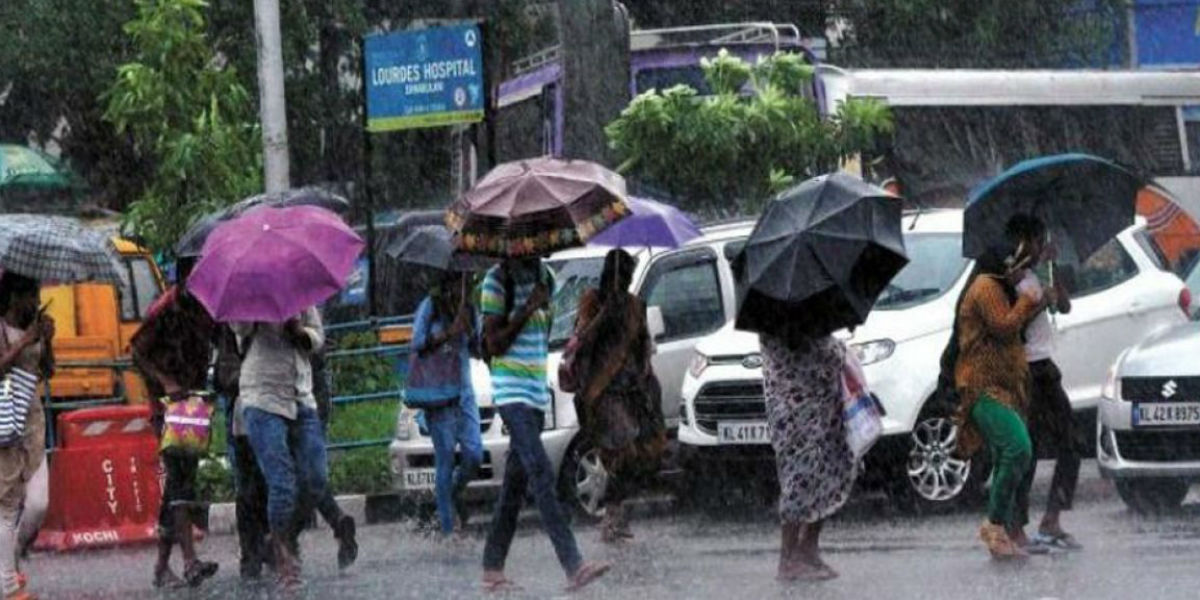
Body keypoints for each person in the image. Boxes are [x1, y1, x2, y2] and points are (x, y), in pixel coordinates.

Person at [479, 257, 610, 593]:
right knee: (541, 472)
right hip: (511, 393)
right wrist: (526, 308)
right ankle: (573, 564)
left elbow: (543, 335)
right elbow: (494, 345)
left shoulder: (546, 277)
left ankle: (492, 567)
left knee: (514, 483)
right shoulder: (496, 281)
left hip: (537, 393)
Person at [130, 258, 220, 589]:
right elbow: (136, 353)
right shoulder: (163, 309)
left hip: (194, 402)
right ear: (183, 278)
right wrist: (165, 381)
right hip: (168, 405)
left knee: (182, 483)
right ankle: (189, 560)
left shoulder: (206, 307)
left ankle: (162, 566)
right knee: (179, 480)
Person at [951, 243, 1043, 560]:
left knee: (1011, 454)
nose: (1020, 271)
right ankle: (995, 524)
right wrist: (1028, 301)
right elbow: (1004, 327)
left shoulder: (998, 287)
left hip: (1003, 386)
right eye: (1016, 265)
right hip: (983, 387)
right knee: (1018, 448)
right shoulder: (986, 287)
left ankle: (1001, 529)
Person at [571, 249, 665, 543]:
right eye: (622, 275)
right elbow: (580, 341)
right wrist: (604, 314)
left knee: (645, 453)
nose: (626, 281)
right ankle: (611, 517)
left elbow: (643, 349)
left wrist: (646, 379)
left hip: (633, 390)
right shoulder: (592, 301)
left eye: (629, 276)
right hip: (603, 391)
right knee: (624, 446)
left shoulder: (636, 307)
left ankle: (615, 512)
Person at [232, 306, 329, 587]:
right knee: (282, 482)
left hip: (301, 395)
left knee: (315, 478)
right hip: (263, 397)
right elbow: (239, 329)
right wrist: (261, 313)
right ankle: (283, 552)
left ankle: (280, 535)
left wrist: (299, 331)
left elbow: (318, 337)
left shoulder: (302, 296)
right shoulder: (248, 297)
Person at [1005, 215, 1082, 551]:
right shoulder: (1007, 279)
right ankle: (1014, 527)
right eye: (1036, 242)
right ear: (1022, 242)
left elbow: (1064, 307)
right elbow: (1009, 326)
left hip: (1045, 369)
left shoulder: (1037, 274)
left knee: (1071, 444)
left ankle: (1052, 519)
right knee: (1028, 449)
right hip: (1024, 371)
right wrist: (1039, 303)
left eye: (1040, 242)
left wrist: (1057, 281)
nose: (1039, 247)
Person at [759, 317, 855, 581]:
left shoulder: (803, 319)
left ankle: (808, 549)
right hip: (797, 420)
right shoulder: (782, 326)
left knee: (825, 479)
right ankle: (788, 558)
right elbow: (822, 357)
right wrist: (839, 349)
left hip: (821, 414)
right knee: (799, 481)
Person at [410, 270, 483, 537]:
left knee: (474, 453)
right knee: (445, 460)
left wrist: (472, 331)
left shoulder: (470, 310)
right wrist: (448, 333)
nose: (461, 286)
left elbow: (477, 350)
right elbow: (417, 343)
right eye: (456, 281)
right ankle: (448, 527)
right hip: (439, 396)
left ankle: (448, 496)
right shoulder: (430, 308)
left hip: (465, 393)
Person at [0, 273, 53, 600]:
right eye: (30, 294)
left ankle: (12, 554)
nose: (35, 301)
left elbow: (47, 371)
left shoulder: (38, 325)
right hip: (4, 415)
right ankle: (7, 585)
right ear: (13, 296)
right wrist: (24, 340)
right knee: (6, 504)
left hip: (31, 417)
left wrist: (47, 341)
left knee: (38, 502)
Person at [215, 323, 271, 579]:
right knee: (248, 487)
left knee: (275, 483)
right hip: (245, 417)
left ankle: (275, 543)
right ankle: (251, 552)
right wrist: (250, 377)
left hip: (276, 411)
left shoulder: (277, 323)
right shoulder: (230, 328)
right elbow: (223, 375)